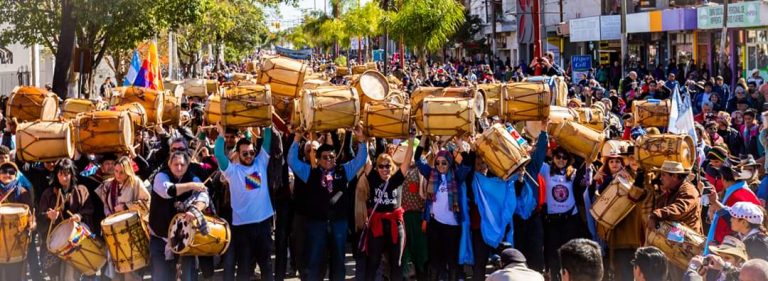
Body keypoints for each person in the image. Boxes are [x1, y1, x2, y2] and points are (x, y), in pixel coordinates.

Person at [287, 125, 368, 281]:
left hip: (339, 223)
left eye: (331, 157)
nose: (329, 160)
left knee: (338, 261)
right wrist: (297, 137)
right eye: (324, 157)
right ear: (317, 159)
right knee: (315, 261)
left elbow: (360, 160)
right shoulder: (309, 172)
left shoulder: (343, 171)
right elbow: (291, 160)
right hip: (316, 224)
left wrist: (361, 140)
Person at [414, 134, 469, 280]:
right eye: (437, 163)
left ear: (449, 163)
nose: (440, 166)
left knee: (451, 261)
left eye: (444, 163)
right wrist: (423, 138)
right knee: (435, 261)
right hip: (435, 224)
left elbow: (468, 163)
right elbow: (418, 160)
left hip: (452, 225)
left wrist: (459, 144)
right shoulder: (432, 174)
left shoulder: (456, 176)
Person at [149, 152, 209, 281]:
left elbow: (204, 197)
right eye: (176, 164)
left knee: (186, 277)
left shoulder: (193, 178)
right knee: (161, 277)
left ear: (188, 165)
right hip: (160, 236)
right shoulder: (161, 176)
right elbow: (168, 191)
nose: (179, 167)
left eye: (182, 164)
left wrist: (195, 210)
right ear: (169, 164)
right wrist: (192, 186)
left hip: (184, 238)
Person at [362, 136, 415, 281]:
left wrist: (411, 141)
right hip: (377, 224)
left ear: (392, 167)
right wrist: (364, 141)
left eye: (387, 166)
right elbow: (366, 162)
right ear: (377, 168)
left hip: (395, 224)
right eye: (381, 166)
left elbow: (407, 160)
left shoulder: (396, 178)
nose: (384, 169)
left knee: (396, 263)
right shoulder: (373, 177)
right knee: (373, 262)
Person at [95, 156, 150, 281]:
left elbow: (147, 202)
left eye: (121, 172)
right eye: (116, 171)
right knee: (116, 270)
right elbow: (105, 206)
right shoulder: (108, 184)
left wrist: (126, 206)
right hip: (114, 232)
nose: (118, 175)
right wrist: (110, 217)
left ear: (128, 171)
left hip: (132, 231)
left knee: (131, 270)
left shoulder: (135, 182)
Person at [38, 159, 94, 280]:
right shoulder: (48, 193)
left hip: (75, 240)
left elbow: (89, 209)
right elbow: (40, 216)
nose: (64, 178)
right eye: (61, 174)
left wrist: (79, 216)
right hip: (55, 240)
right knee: (55, 274)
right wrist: (48, 216)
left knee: (71, 274)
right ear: (56, 175)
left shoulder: (81, 190)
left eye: (67, 174)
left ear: (72, 174)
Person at [705, 165, 761, 246]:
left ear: (723, 178)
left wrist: (720, 244)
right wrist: (715, 202)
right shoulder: (741, 191)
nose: (732, 220)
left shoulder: (736, 196)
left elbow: (731, 223)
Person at [0, 161, 35, 280]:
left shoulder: (22, 192)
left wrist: (32, 224)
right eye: (4, 171)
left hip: (17, 242)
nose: (7, 174)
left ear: (16, 175)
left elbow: (31, 214)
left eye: (11, 172)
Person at [648, 160, 702, 234]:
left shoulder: (689, 190)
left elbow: (680, 209)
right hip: (674, 237)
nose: (660, 178)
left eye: (663, 175)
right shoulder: (669, 192)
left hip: (687, 240)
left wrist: (656, 214)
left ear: (674, 176)